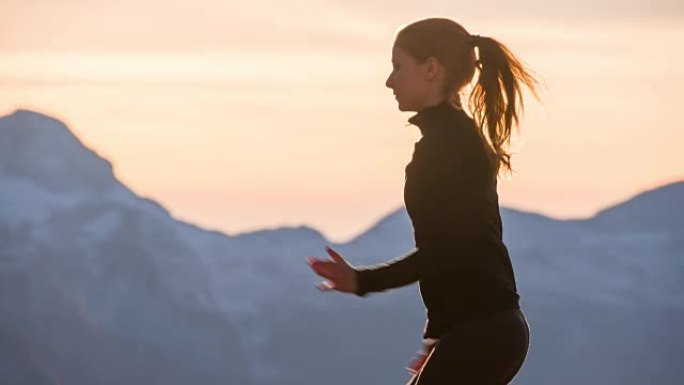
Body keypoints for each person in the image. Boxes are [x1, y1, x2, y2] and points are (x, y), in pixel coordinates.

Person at [306, 17, 541, 384]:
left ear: (431, 69)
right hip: (485, 328)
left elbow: (445, 251)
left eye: (398, 67)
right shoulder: (456, 140)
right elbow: (471, 244)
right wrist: (440, 336)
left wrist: (362, 281)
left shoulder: (446, 148)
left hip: (483, 331)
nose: (389, 81)